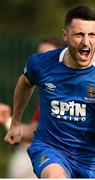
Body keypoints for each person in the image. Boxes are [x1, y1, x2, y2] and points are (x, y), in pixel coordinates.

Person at [4, 5, 95, 178]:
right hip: (50, 148)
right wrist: (15, 123)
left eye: (92, 35)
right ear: (65, 35)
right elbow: (25, 82)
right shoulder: (42, 63)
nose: (86, 42)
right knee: (55, 176)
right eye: (79, 34)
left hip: (90, 160)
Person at [1, 38, 58, 178]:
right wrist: (7, 120)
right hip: (57, 164)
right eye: (40, 55)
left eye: (47, 54)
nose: (41, 61)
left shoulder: (80, 86)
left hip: (84, 164)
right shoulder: (48, 95)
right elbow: (36, 131)